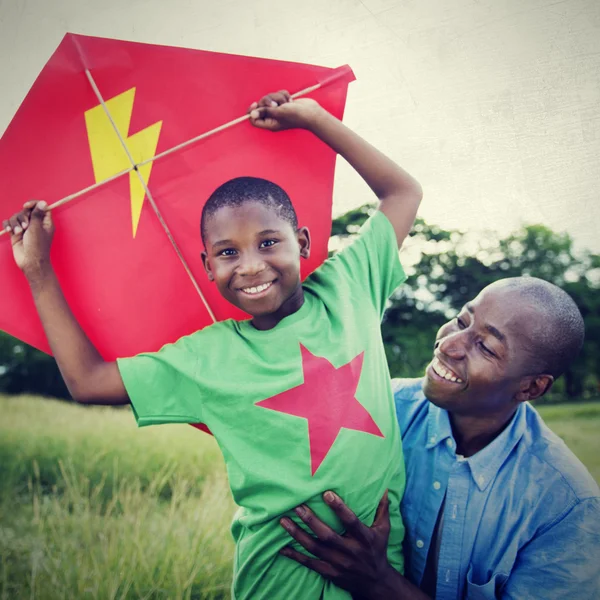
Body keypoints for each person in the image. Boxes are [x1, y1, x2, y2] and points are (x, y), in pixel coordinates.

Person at [3, 90, 422, 599]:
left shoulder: (349, 285)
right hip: (277, 582)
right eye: (228, 252)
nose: (250, 265)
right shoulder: (207, 357)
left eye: (269, 242)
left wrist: (313, 119)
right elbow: (89, 381)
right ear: (208, 268)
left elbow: (402, 194)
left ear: (304, 244)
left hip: (383, 575)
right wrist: (39, 269)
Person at [279, 277, 600, 599]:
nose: (447, 345)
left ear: (531, 388)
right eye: (461, 320)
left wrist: (379, 582)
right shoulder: (375, 409)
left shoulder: (567, 506)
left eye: (486, 347)